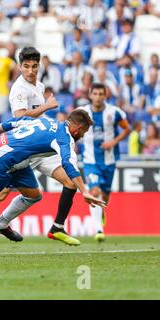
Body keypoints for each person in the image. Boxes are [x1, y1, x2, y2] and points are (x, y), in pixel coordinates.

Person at [0, 110, 106, 239]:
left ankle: (0, 223)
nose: (81, 137)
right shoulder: (64, 138)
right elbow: (68, 163)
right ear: (78, 128)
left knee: (33, 194)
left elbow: (15, 121)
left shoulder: (47, 122)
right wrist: (84, 191)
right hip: (0, 159)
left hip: (16, 160)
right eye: (83, 133)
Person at [4, 47, 85, 245]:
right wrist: (47, 106)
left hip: (41, 148)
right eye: (26, 66)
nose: (30, 71)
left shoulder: (39, 86)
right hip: (23, 148)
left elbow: (37, 116)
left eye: (34, 66)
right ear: (20, 67)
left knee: (70, 182)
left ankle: (57, 227)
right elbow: (19, 117)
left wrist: (50, 119)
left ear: (39, 65)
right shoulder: (19, 89)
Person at [78, 83, 130, 241]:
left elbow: (127, 129)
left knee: (105, 196)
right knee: (94, 192)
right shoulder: (82, 112)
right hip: (90, 160)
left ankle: (101, 214)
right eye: (96, 94)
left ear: (106, 95)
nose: (98, 97)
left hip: (109, 160)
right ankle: (99, 230)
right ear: (90, 94)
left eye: (101, 94)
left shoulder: (114, 112)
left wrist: (113, 143)